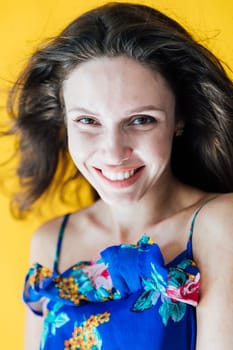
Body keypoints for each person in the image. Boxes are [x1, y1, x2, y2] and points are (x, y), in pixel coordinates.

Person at [6, 2, 233, 349]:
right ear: (63, 120)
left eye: (141, 119)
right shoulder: (51, 242)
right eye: (88, 121)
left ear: (180, 119)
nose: (113, 152)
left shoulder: (220, 225)